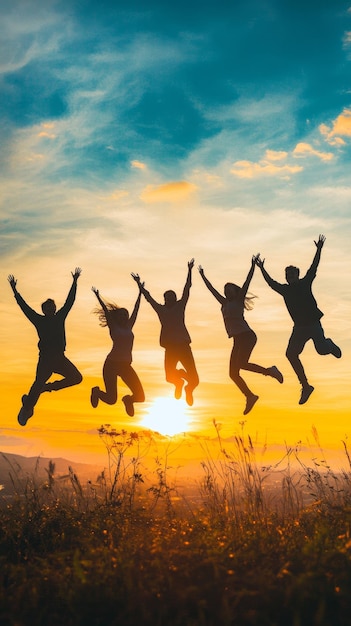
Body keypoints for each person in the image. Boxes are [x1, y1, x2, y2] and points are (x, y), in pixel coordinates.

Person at [255, 235, 341, 405]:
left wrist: (319, 249)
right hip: (299, 328)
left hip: (313, 324)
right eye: (288, 275)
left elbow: (313, 268)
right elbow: (271, 283)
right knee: (290, 354)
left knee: (322, 350)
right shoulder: (285, 290)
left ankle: (329, 344)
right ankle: (306, 386)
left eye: (293, 274)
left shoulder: (305, 283)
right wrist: (262, 268)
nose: (291, 277)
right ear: (286, 277)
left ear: (298, 275)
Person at [198, 256, 283, 415]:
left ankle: (270, 372)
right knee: (232, 373)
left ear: (234, 291)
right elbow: (211, 290)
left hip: (247, 336)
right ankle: (250, 396)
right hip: (238, 339)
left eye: (228, 289)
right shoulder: (223, 303)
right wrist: (203, 276)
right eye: (224, 289)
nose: (225, 291)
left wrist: (252, 266)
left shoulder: (237, 301)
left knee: (242, 364)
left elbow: (246, 282)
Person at [8, 269, 83, 426]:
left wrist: (75, 282)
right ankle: (27, 408)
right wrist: (15, 290)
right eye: (47, 308)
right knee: (37, 383)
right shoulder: (39, 320)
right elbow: (25, 308)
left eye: (52, 307)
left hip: (60, 358)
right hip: (46, 359)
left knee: (77, 378)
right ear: (43, 310)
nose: (50, 309)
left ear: (55, 309)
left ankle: (46, 388)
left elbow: (70, 301)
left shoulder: (60, 317)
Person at [131, 259, 199, 406]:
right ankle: (179, 382)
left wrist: (190, 270)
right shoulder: (161, 310)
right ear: (165, 299)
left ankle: (188, 389)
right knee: (169, 378)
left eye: (172, 296)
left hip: (183, 346)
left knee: (195, 380)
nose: (170, 299)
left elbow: (187, 289)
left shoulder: (180, 306)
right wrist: (139, 284)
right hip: (170, 348)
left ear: (175, 298)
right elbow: (148, 298)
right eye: (167, 297)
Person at [91, 283, 145, 417]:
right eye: (121, 315)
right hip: (111, 364)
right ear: (117, 317)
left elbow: (136, 309)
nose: (123, 317)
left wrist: (140, 291)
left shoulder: (129, 327)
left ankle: (128, 400)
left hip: (125, 365)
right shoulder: (114, 327)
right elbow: (107, 312)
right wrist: (98, 296)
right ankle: (96, 392)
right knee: (111, 399)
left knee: (140, 397)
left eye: (125, 315)